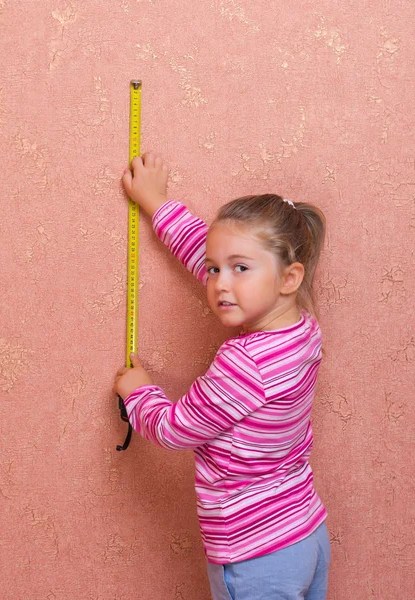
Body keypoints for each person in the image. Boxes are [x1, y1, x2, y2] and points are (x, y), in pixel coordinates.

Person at [114, 153, 331, 600]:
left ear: (289, 277)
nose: (219, 284)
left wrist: (139, 394)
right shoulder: (303, 329)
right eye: (216, 269)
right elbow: (206, 251)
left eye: (240, 269)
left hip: (256, 553)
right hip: (305, 532)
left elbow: (176, 430)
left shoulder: (245, 363)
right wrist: (158, 204)